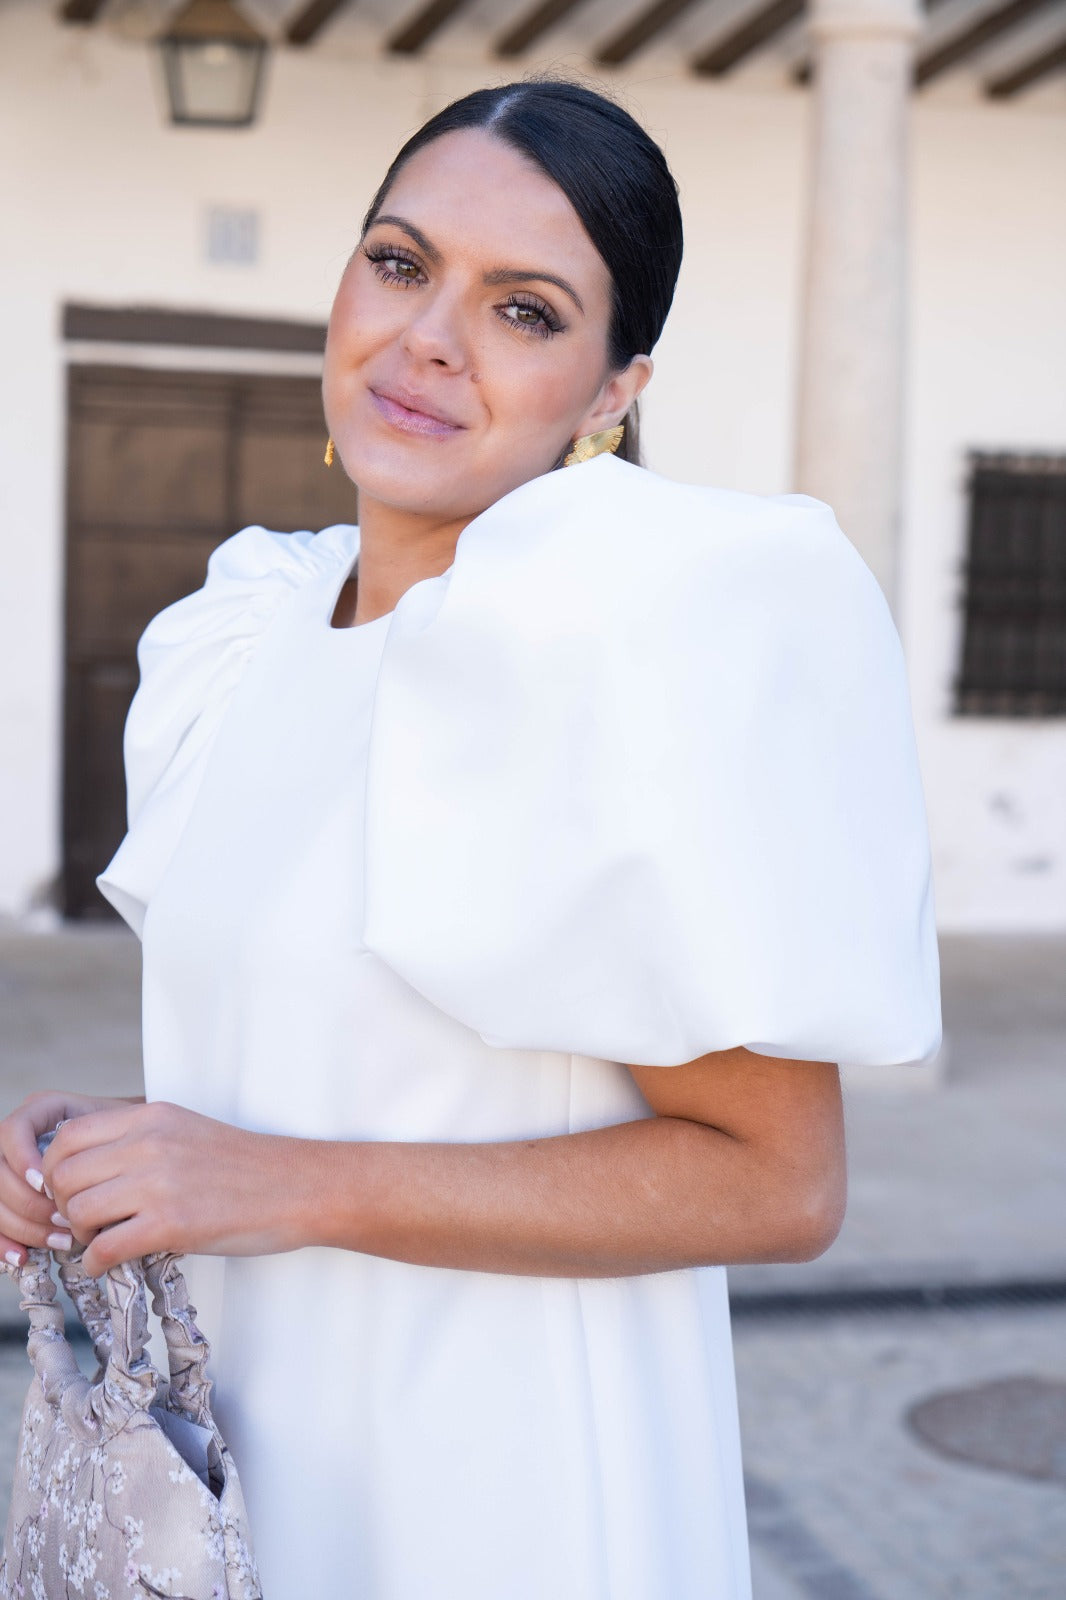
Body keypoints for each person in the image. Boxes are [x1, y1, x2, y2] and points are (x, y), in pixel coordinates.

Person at [0, 80, 941, 1599]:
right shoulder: (245, 636)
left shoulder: (626, 649)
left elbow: (777, 1183)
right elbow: (327, 1077)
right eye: (399, 263)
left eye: (522, 309)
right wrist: (122, 1154)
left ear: (613, 389)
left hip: (504, 1481)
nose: (429, 336)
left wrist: (278, 1181)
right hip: (251, 1452)